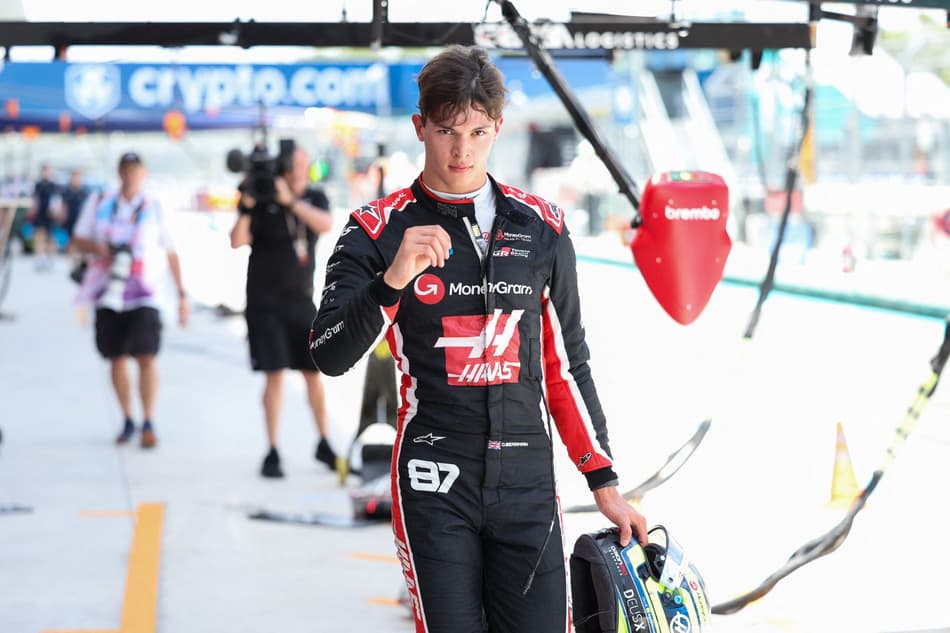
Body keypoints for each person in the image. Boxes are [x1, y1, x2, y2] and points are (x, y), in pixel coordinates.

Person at [309, 45, 646, 633]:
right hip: (435, 477)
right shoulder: (376, 229)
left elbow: (567, 365)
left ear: (498, 128)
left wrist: (604, 480)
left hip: (527, 481)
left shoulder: (542, 225)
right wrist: (392, 282)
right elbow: (328, 353)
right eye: (446, 131)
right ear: (420, 126)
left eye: (477, 132)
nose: (462, 150)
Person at [229, 145, 335, 479]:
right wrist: (246, 206)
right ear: (284, 168)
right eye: (294, 164)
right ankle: (272, 449)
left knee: (313, 373)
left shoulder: (314, 197)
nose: (299, 169)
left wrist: (290, 201)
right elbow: (236, 240)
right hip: (264, 304)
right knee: (274, 375)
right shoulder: (262, 198)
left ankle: (324, 441)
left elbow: (325, 224)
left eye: (304, 163)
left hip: (301, 301)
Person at [72, 152, 189, 448]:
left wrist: (181, 295)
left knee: (146, 355)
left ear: (143, 173)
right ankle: (127, 418)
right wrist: (101, 249)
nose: (130, 176)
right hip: (107, 291)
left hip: (145, 292)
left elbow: (171, 251)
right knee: (116, 356)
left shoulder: (154, 207)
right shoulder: (101, 202)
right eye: (126, 170)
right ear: (119, 173)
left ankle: (148, 419)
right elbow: (78, 238)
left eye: (135, 171)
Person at [26, 163, 60, 270]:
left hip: (50, 215)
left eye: (47, 170)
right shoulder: (37, 185)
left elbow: (57, 200)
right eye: (44, 170)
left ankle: (50, 258)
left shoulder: (54, 185)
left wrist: (55, 211)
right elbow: (33, 198)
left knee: (51, 237)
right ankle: (39, 259)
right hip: (39, 214)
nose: (46, 173)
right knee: (39, 236)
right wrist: (32, 210)